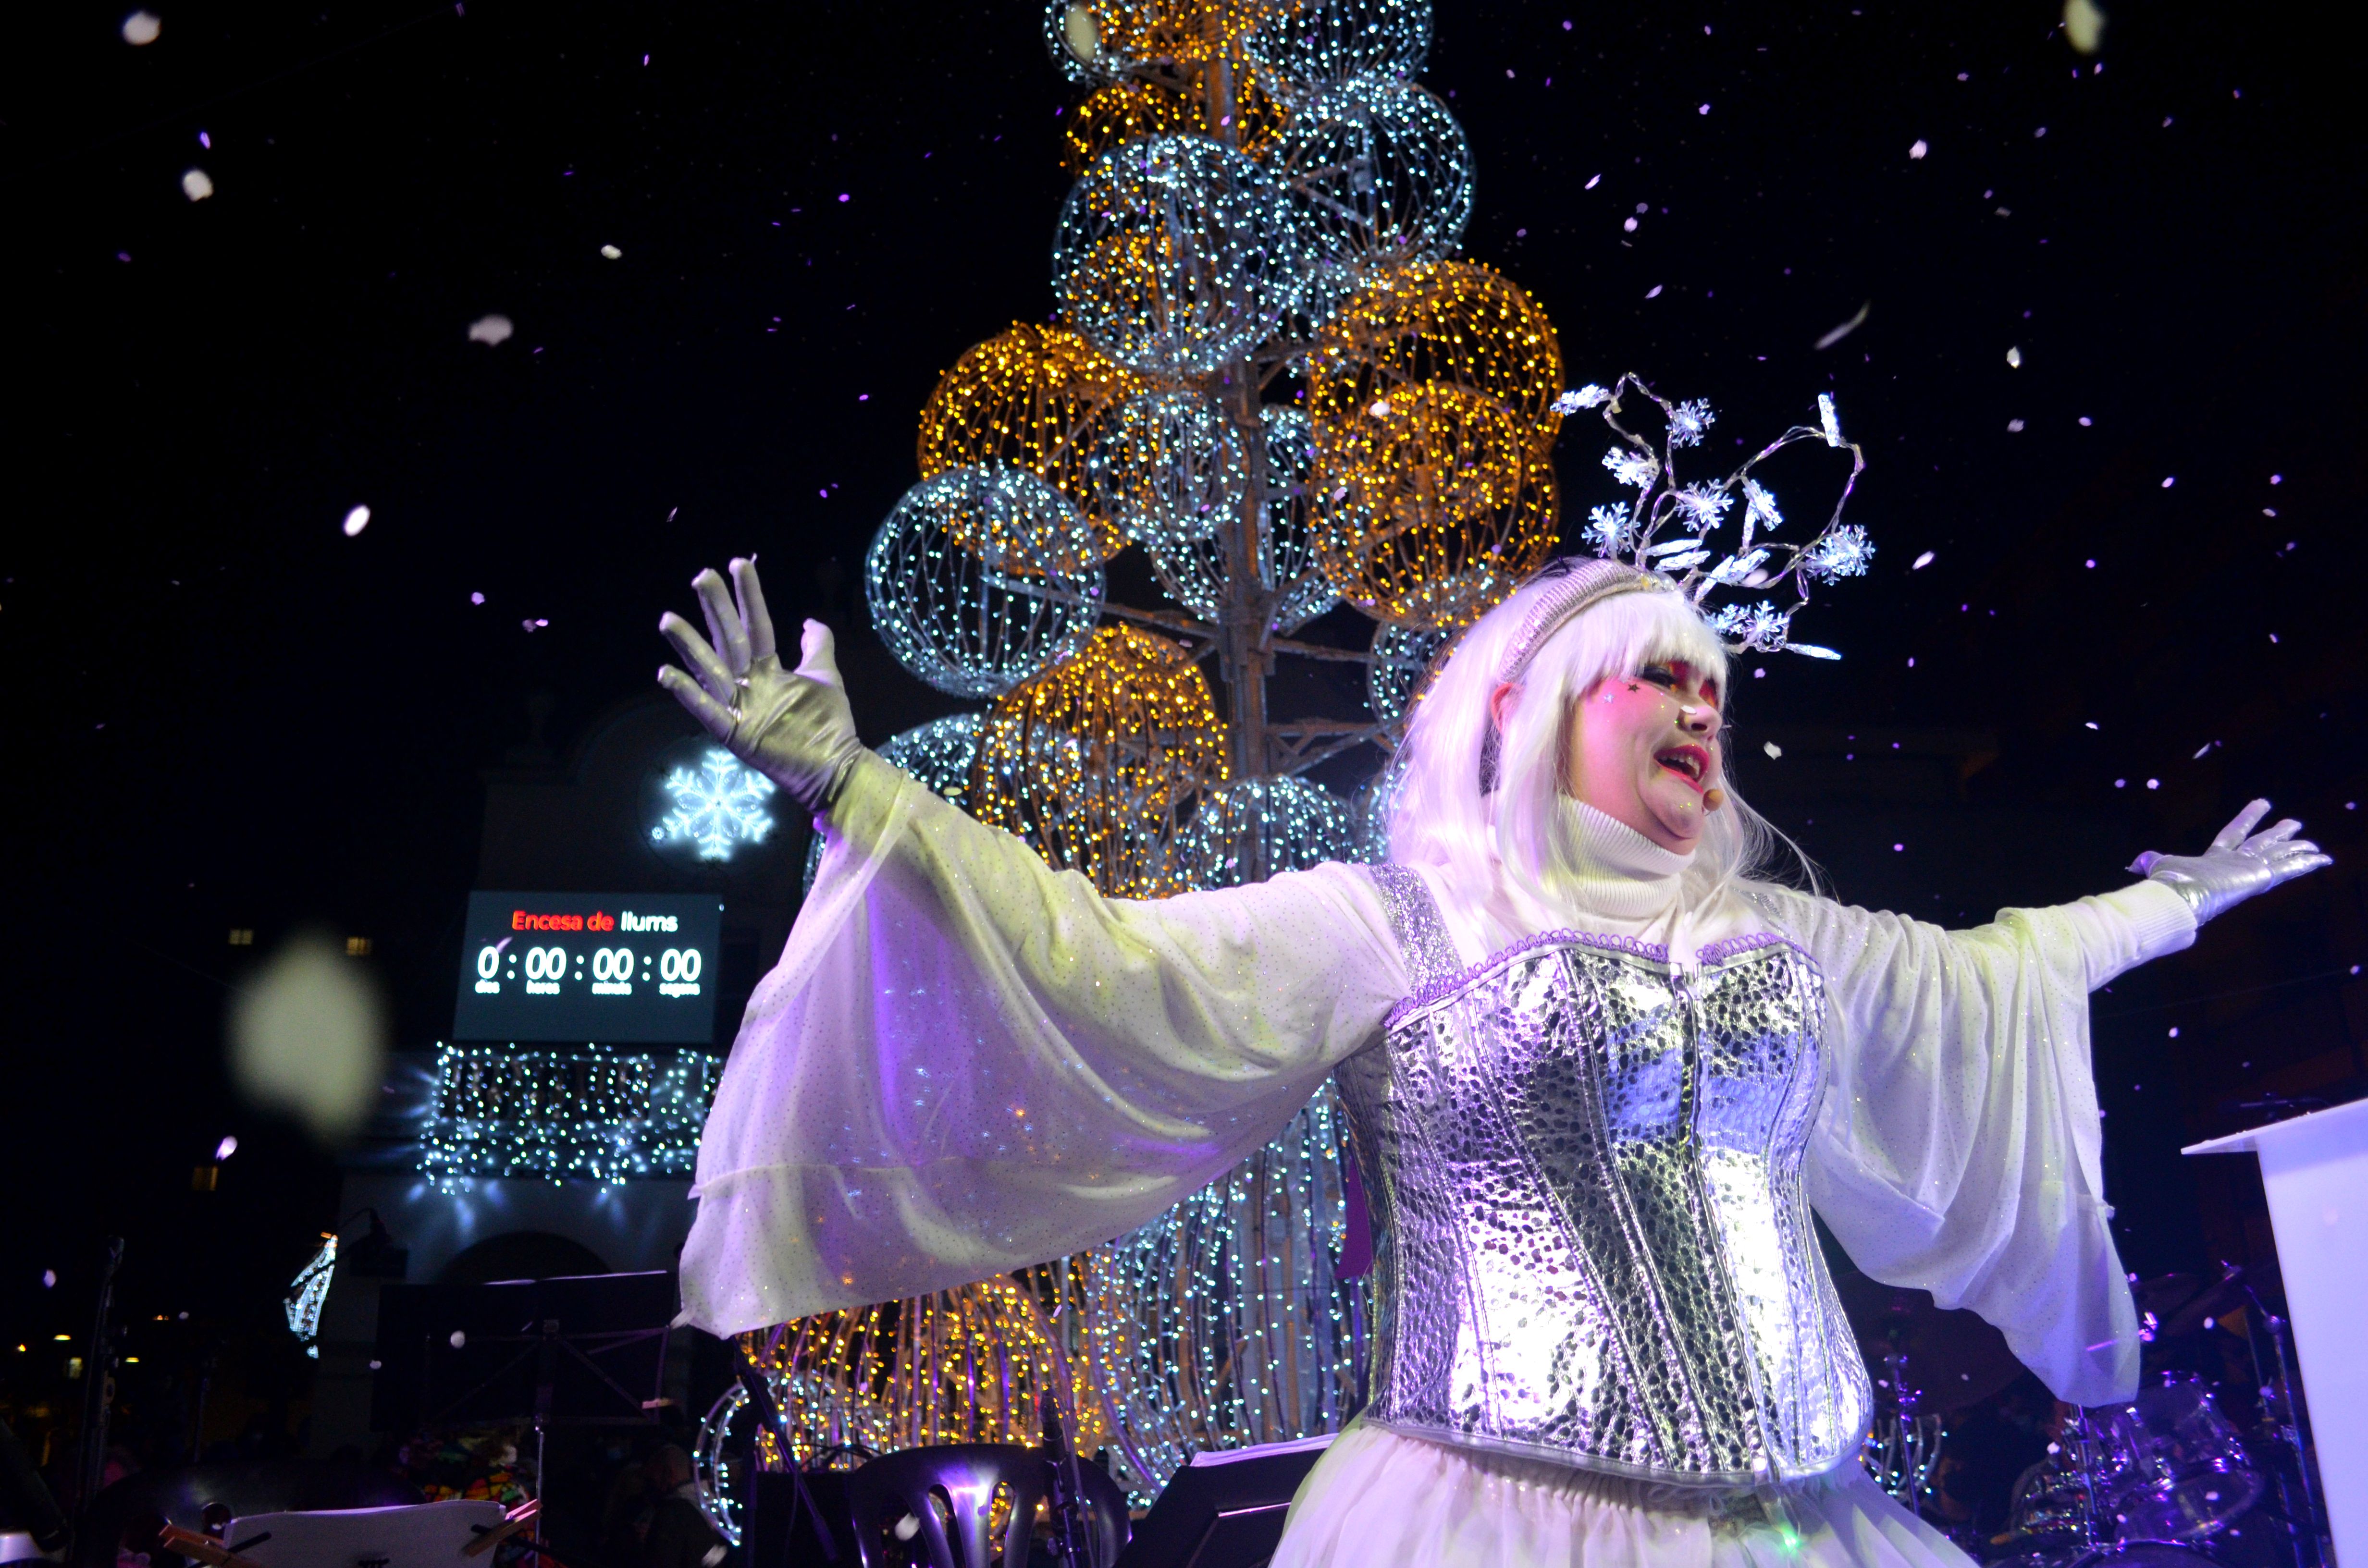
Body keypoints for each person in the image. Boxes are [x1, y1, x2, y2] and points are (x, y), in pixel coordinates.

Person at [655, 555, 2329, 1568]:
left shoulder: (1772, 934)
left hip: (1810, 1521)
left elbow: (1989, 978)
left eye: (1717, 684)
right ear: (1544, 711)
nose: (1701, 707)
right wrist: (853, 791)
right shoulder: (1391, 922)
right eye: (1658, 676)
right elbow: (1095, 954)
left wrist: (2167, 908)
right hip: (1492, 1517)